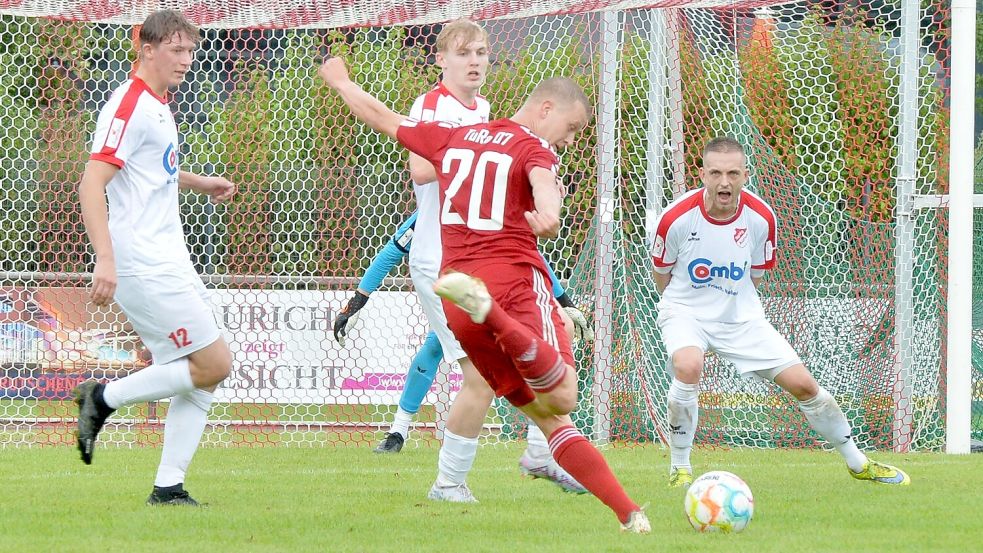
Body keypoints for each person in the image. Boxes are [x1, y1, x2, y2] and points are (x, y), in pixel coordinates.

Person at [317, 57, 651, 533]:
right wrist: (551, 215)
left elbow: (383, 117)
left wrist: (342, 82)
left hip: (456, 294)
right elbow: (543, 182)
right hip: (511, 285)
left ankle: (628, 513)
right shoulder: (533, 147)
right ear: (545, 108)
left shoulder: (455, 136)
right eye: (572, 127)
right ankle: (494, 318)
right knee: (566, 395)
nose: (571, 139)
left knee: (546, 414)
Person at [650, 136, 910, 488]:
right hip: (684, 312)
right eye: (715, 173)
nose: (724, 182)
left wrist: (733, 309)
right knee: (688, 365)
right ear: (702, 174)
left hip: (741, 318)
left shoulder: (761, 218)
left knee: (805, 386)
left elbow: (754, 275)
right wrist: (684, 313)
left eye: (732, 173)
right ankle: (680, 468)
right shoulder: (676, 218)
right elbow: (661, 275)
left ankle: (857, 462)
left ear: (746, 174)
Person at [72, 9, 236, 506]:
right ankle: (101, 399)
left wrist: (196, 181)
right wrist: (105, 259)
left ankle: (168, 488)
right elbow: (91, 182)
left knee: (198, 377)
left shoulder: (156, 104)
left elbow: (147, 169)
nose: (186, 60)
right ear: (147, 49)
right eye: (176, 50)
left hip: (166, 256)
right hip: (142, 261)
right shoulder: (129, 105)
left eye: (190, 50)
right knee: (214, 363)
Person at [333, 211, 594, 481]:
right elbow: (392, 251)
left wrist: (565, 303)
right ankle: (401, 435)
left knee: (517, 356)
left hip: (496, 293)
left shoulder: (491, 205)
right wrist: (358, 301)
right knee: (447, 356)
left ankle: (537, 448)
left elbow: (528, 251)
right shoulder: (431, 214)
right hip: (461, 296)